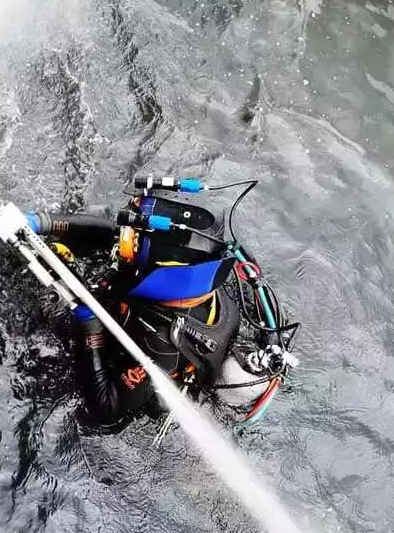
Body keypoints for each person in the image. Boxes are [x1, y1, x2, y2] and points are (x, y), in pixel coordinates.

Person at [26, 178, 297, 431]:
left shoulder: (162, 351)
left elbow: (107, 408)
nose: (127, 241)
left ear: (165, 267)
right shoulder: (195, 266)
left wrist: (89, 324)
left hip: (155, 363)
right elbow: (118, 233)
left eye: (136, 242)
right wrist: (44, 223)